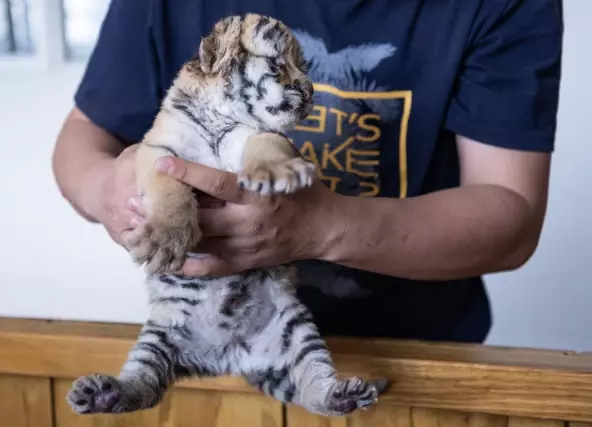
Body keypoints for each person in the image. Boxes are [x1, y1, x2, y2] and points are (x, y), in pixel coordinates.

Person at [51, 0, 563, 344]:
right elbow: (83, 137)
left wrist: (317, 228)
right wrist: (109, 190)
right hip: (213, 353)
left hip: (414, 362)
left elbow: (509, 216)